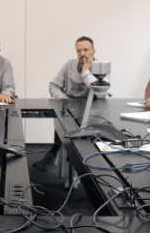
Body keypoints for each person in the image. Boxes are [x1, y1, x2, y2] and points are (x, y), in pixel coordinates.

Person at [35, 36, 105, 171]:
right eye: (79, 51)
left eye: (86, 50)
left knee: (75, 125)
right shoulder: (69, 65)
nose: (82, 54)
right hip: (69, 110)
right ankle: (61, 153)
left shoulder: (101, 68)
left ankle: (67, 156)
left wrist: (85, 71)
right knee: (63, 118)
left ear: (93, 52)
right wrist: (64, 98)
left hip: (91, 114)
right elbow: (53, 85)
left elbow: (100, 94)